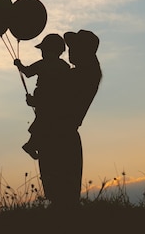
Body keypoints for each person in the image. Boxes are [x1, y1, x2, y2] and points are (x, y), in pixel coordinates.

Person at [36, 29, 102, 208]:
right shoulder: (85, 74)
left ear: (84, 52)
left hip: (60, 136)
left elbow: (55, 100)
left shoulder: (80, 76)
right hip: (59, 134)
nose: (69, 51)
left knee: (61, 195)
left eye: (74, 48)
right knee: (62, 194)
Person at [13, 33, 70, 160]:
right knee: (44, 122)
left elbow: (27, 72)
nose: (43, 53)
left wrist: (19, 65)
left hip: (44, 97)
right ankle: (32, 145)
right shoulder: (64, 66)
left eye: (44, 50)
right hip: (53, 100)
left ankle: (32, 145)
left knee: (43, 122)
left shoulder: (44, 64)